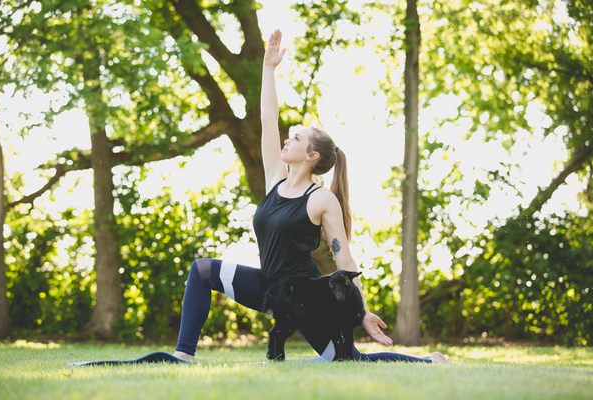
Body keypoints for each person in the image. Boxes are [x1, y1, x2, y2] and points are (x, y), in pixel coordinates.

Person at [172, 29, 449, 364]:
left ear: (312, 155)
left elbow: (344, 261)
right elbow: (268, 118)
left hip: (304, 296)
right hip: (268, 285)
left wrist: (362, 312)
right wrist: (269, 69)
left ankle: (429, 362)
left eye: (297, 137)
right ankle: (182, 356)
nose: (288, 140)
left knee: (348, 360)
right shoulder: (276, 178)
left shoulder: (320, 200)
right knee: (202, 271)